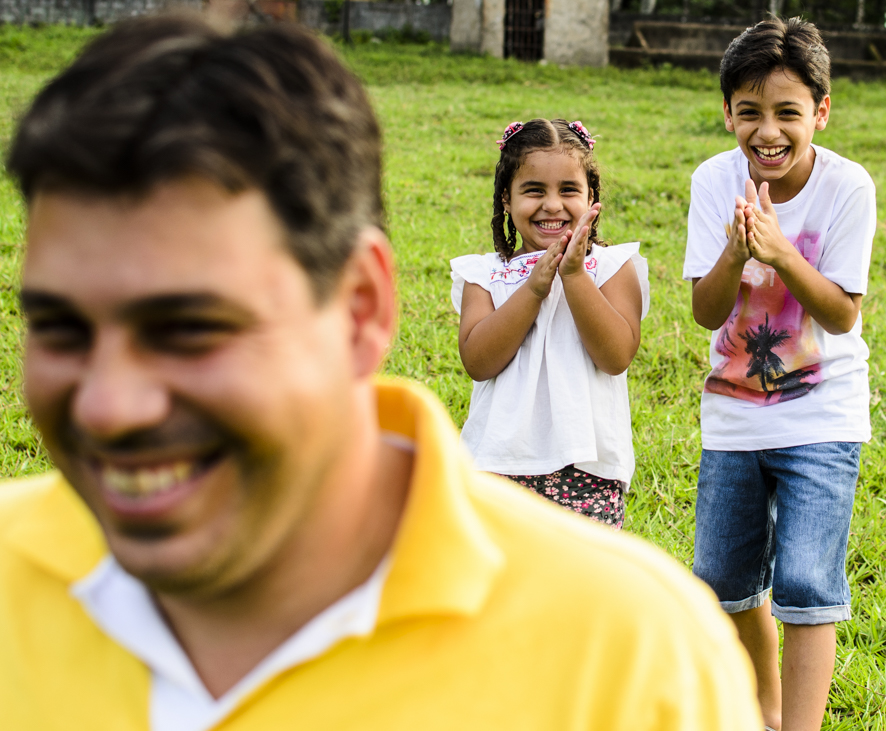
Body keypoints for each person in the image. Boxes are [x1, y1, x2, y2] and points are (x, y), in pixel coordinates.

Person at [0, 16, 763, 730]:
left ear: (362, 309)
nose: (109, 405)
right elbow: (481, 353)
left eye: (192, 329)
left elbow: (615, 349)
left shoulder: (634, 653)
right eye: (60, 327)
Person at [682, 16, 877, 731]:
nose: (769, 130)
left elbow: (843, 313)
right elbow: (706, 311)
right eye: (750, 111)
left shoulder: (848, 186)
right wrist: (737, 253)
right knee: (726, 580)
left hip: (822, 413)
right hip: (733, 414)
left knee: (805, 579)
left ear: (820, 112)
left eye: (788, 112)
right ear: (727, 111)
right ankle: (761, 707)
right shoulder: (715, 180)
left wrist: (783, 253)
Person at [451, 118, 648, 528]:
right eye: (534, 190)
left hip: (588, 471)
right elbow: (478, 361)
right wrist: (533, 288)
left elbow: (615, 356)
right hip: (497, 466)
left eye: (569, 190)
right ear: (506, 198)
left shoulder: (612, 268)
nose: (553, 205)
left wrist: (573, 276)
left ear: (591, 196)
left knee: (581, 587)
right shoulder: (485, 276)